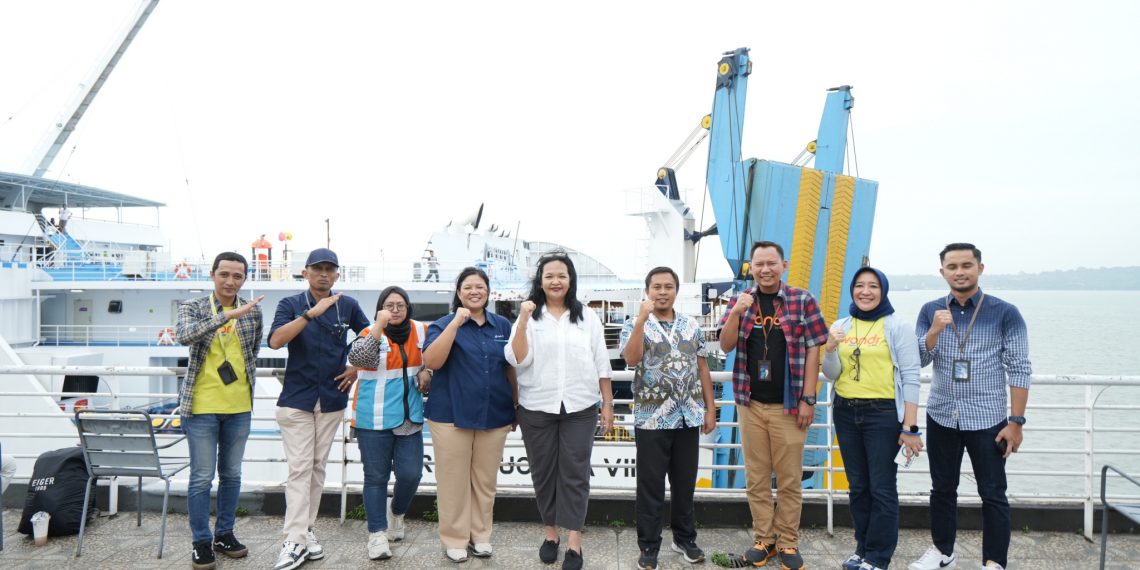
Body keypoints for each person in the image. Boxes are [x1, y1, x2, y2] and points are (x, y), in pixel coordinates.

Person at [909, 244, 1031, 570]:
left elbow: (1019, 367)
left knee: (992, 493)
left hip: (988, 418)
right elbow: (918, 360)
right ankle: (942, 551)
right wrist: (933, 331)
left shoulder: (1005, 312)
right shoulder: (929, 310)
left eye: (966, 265)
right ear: (942, 272)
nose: (960, 271)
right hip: (942, 415)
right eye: (952, 266)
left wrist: (1016, 422)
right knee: (942, 489)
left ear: (980, 267)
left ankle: (994, 562)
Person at [717, 241, 828, 570]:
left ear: (784, 265)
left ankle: (788, 542)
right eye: (758, 264)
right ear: (751, 267)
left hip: (789, 405)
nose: (765, 269)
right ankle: (764, 540)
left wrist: (809, 398)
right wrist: (737, 311)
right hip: (750, 404)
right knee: (757, 477)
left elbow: (813, 352)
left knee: (790, 478)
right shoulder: (741, 301)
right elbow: (725, 344)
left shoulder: (802, 300)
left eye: (771, 263)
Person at [506, 253, 614, 570]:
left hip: (580, 406)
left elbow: (601, 361)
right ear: (540, 281)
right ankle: (551, 534)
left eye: (562, 275)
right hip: (537, 406)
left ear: (571, 280)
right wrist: (524, 319)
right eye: (549, 275)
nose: (556, 281)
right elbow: (517, 358)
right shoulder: (529, 316)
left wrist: (607, 403)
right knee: (543, 473)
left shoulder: (587, 318)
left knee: (576, 474)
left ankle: (574, 542)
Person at [268, 248, 370, 570]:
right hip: (296, 399)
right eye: (318, 268)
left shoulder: (348, 306)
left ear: (337, 274)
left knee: (316, 466)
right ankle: (294, 540)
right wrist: (311, 314)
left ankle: (306, 530)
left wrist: (355, 366)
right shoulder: (291, 305)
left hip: (331, 398)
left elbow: (370, 337)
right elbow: (275, 341)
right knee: (300, 467)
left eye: (330, 269)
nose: (324, 274)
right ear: (306, 273)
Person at [821, 267, 922, 570]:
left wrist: (911, 428)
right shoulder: (841, 324)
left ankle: (878, 557)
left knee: (882, 487)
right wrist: (829, 348)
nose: (865, 291)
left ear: (883, 290)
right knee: (858, 486)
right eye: (860, 286)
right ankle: (862, 549)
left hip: (882, 414)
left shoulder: (896, 326)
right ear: (852, 290)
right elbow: (832, 373)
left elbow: (912, 376)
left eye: (873, 286)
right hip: (845, 411)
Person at [620, 266, 716, 570]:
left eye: (668, 286)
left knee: (685, 482)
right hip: (651, 419)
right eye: (657, 286)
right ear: (647, 290)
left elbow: (702, 368)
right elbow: (631, 359)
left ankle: (684, 538)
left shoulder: (691, 326)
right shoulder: (634, 323)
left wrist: (710, 409)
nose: (662, 292)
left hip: (688, 415)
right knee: (650, 485)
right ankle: (648, 545)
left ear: (676, 290)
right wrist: (640, 321)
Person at [174, 251, 264, 570]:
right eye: (224, 274)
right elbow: (184, 335)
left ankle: (224, 534)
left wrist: (239, 315)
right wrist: (226, 316)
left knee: (232, 475)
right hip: (201, 406)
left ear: (244, 279)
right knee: (201, 477)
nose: (230, 281)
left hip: (239, 406)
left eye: (237, 276)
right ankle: (200, 541)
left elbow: (251, 353)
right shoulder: (194, 307)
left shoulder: (254, 314)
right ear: (213, 274)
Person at [422, 267, 516, 563]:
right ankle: (454, 538)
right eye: (468, 287)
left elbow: (511, 367)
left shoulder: (502, 325)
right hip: (450, 414)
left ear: (488, 292)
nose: (474, 291)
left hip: (495, 413)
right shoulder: (443, 323)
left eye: (480, 287)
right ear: (459, 292)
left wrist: (516, 404)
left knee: (485, 481)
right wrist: (456, 323)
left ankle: (481, 535)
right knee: (453, 480)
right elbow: (432, 361)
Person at [347, 286, 429, 561]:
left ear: (408, 308)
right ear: (380, 308)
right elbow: (358, 359)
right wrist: (378, 326)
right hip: (373, 419)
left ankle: (396, 513)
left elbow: (434, 357)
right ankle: (377, 535)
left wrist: (427, 370)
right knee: (375, 479)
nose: (395, 310)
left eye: (400, 305)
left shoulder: (420, 330)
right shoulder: (370, 333)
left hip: (409, 418)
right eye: (389, 305)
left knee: (411, 474)